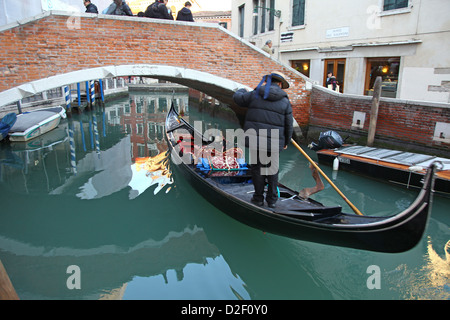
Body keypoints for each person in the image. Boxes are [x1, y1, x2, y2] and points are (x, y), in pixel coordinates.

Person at [233, 72, 293, 208]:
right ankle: (272, 201)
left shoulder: (255, 94)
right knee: (272, 170)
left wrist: (242, 90)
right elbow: (289, 124)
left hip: (256, 140)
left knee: (257, 169)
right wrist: (286, 142)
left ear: (267, 82)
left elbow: (238, 99)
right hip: (274, 141)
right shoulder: (285, 101)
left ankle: (258, 198)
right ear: (280, 84)